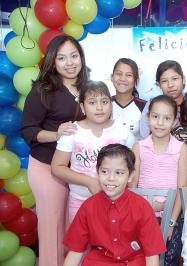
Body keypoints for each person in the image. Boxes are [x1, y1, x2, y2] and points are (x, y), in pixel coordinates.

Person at [20, 35, 88, 266]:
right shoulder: (43, 90)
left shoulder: (88, 88)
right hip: (46, 168)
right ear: (52, 61)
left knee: (76, 226)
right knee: (53, 228)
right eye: (61, 58)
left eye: (74, 55)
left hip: (77, 169)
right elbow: (28, 130)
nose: (69, 62)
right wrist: (57, 134)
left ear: (81, 57)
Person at [63, 144, 166, 266]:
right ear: (97, 172)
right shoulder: (88, 207)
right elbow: (75, 251)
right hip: (99, 262)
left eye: (119, 173)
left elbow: (151, 254)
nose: (111, 178)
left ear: (130, 176)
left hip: (134, 261)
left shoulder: (142, 207)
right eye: (105, 171)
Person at [51, 81, 135, 222]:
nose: (99, 107)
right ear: (82, 107)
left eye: (104, 101)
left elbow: (134, 166)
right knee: (80, 243)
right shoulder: (72, 132)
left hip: (116, 203)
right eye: (92, 102)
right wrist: (89, 182)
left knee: (113, 243)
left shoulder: (122, 132)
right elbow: (57, 167)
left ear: (111, 104)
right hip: (80, 202)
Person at [132, 95, 187, 266]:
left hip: (170, 216)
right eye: (155, 116)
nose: (160, 122)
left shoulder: (181, 149)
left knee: (168, 258)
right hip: (141, 216)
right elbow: (132, 187)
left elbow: (182, 189)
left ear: (174, 122)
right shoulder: (139, 147)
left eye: (167, 118)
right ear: (148, 117)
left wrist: (171, 221)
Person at [140, 60, 186, 139]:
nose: (170, 85)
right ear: (159, 84)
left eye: (174, 79)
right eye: (164, 81)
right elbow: (145, 137)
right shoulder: (153, 104)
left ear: (183, 79)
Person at [111, 58, 146, 141]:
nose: (123, 79)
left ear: (136, 80)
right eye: (118, 74)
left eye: (129, 75)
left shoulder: (145, 106)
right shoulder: (104, 104)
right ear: (112, 77)